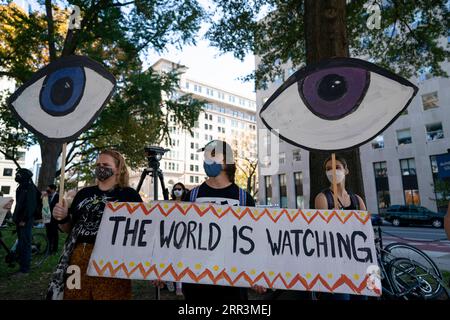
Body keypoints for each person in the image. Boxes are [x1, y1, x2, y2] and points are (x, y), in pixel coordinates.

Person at [47, 150, 143, 300]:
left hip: (112, 261)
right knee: (73, 295)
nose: (100, 167)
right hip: (77, 258)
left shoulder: (129, 195)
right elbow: (69, 229)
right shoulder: (83, 193)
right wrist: (63, 218)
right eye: (98, 164)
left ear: (118, 169)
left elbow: (141, 231)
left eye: (105, 165)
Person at [180, 140, 262, 301]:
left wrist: (256, 272)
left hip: (232, 282)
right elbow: (182, 237)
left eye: (213, 154)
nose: (207, 160)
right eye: (205, 156)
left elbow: (254, 240)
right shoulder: (191, 196)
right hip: (197, 281)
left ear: (228, 161)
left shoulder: (244, 199)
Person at [314, 155, 367, 301]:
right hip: (335, 265)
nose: (332, 171)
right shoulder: (323, 198)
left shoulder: (357, 200)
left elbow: (365, 230)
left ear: (346, 170)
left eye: (337, 167)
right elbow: (323, 233)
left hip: (358, 262)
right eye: (328, 169)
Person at [12, 168, 39, 276]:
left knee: (25, 244)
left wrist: (24, 219)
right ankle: (21, 264)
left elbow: (30, 206)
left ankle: (25, 270)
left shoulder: (29, 188)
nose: (17, 176)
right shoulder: (21, 187)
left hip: (25, 221)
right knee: (22, 243)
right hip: (19, 220)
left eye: (19, 174)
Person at [164, 182, 189, 296]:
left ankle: (179, 286)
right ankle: (168, 280)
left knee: (181, 259)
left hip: (183, 235)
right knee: (169, 258)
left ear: (183, 190)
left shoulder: (188, 203)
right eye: (175, 189)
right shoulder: (169, 203)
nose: (177, 191)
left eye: (179, 189)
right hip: (170, 234)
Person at [45, 184, 59, 254]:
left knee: (54, 234)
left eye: (49, 189)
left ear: (53, 189)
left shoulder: (58, 197)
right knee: (48, 234)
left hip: (54, 219)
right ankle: (48, 248)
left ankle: (54, 249)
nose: (47, 191)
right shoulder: (48, 196)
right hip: (47, 217)